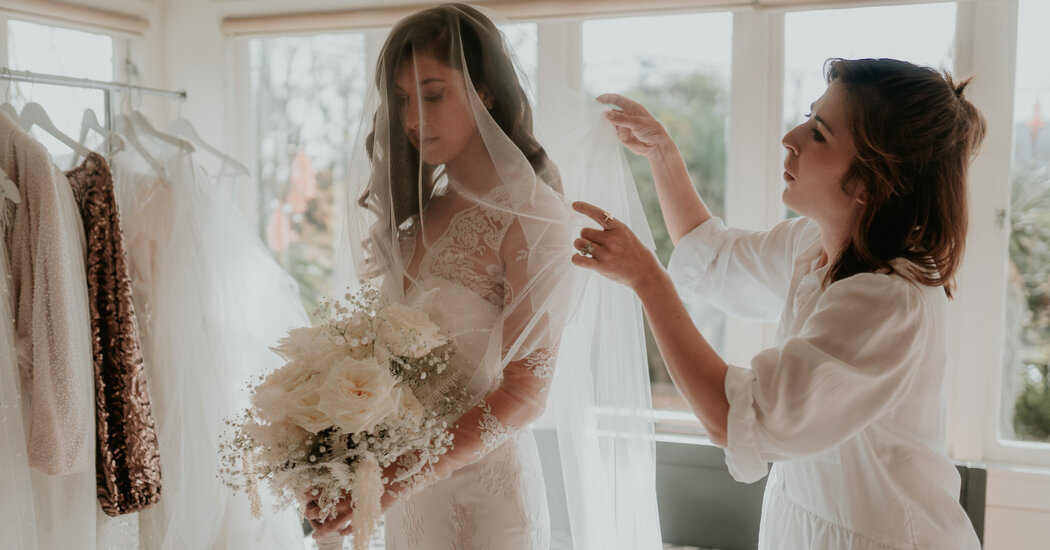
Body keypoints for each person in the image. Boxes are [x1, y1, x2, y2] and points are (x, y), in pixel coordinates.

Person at [573, 58, 986, 549]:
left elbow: (733, 416)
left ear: (871, 183)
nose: (790, 138)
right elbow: (714, 256)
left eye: (819, 133)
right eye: (809, 118)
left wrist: (647, 280)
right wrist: (661, 152)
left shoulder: (889, 300)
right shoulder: (813, 244)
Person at [308, 4, 664, 549]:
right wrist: (336, 466)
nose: (413, 119)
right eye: (401, 99)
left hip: (487, 505)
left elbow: (526, 392)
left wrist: (394, 482)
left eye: (432, 95)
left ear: (486, 93)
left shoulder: (533, 217)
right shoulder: (416, 219)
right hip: (406, 507)